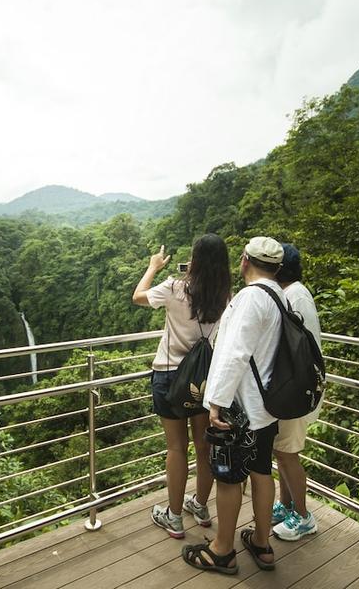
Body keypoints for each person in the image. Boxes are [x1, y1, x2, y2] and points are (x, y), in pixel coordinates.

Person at [182, 236, 284, 575]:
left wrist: (216, 404)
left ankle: (222, 551)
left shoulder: (249, 298)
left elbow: (234, 352)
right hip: (267, 407)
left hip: (240, 409)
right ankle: (261, 543)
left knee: (227, 478)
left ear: (244, 261)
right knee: (261, 471)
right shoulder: (279, 296)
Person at [133, 234, 232, 539]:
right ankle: (200, 506)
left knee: (177, 448)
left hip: (169, 377)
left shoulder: (175, 288)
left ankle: (174, 517)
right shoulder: (226, 295)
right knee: (204, 447)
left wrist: (153, 267)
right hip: (204, 379)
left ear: (195, 259)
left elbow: (138, 296)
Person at [271, 243, 323, 540]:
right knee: (282, 450)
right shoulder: (296, 292)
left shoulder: (292, 297)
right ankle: (286, 505)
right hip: (295, 388)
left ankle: (304, 517)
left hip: (296, 390)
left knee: (288, 454)